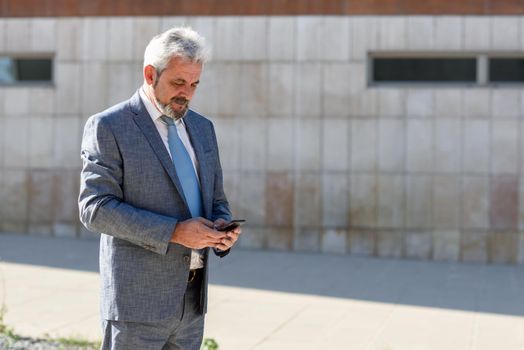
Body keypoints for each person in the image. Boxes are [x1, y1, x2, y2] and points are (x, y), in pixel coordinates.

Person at [78, 26, 241, 350]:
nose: (187, 93)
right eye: (178, 82)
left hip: (191, 303)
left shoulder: (202, 128)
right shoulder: (109, 126)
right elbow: (94, 208)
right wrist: (175, 231)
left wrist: (222, 229)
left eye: (195, 84)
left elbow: (216, 199)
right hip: (136, 306)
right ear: (150, 73)